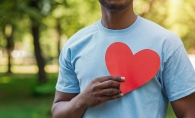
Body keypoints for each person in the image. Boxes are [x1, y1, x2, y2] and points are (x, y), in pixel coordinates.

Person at [51, 0, 195, 118]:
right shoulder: (74, 45)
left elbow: (188, 113)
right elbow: (58, 111)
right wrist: (81, 101)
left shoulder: (167, 43)